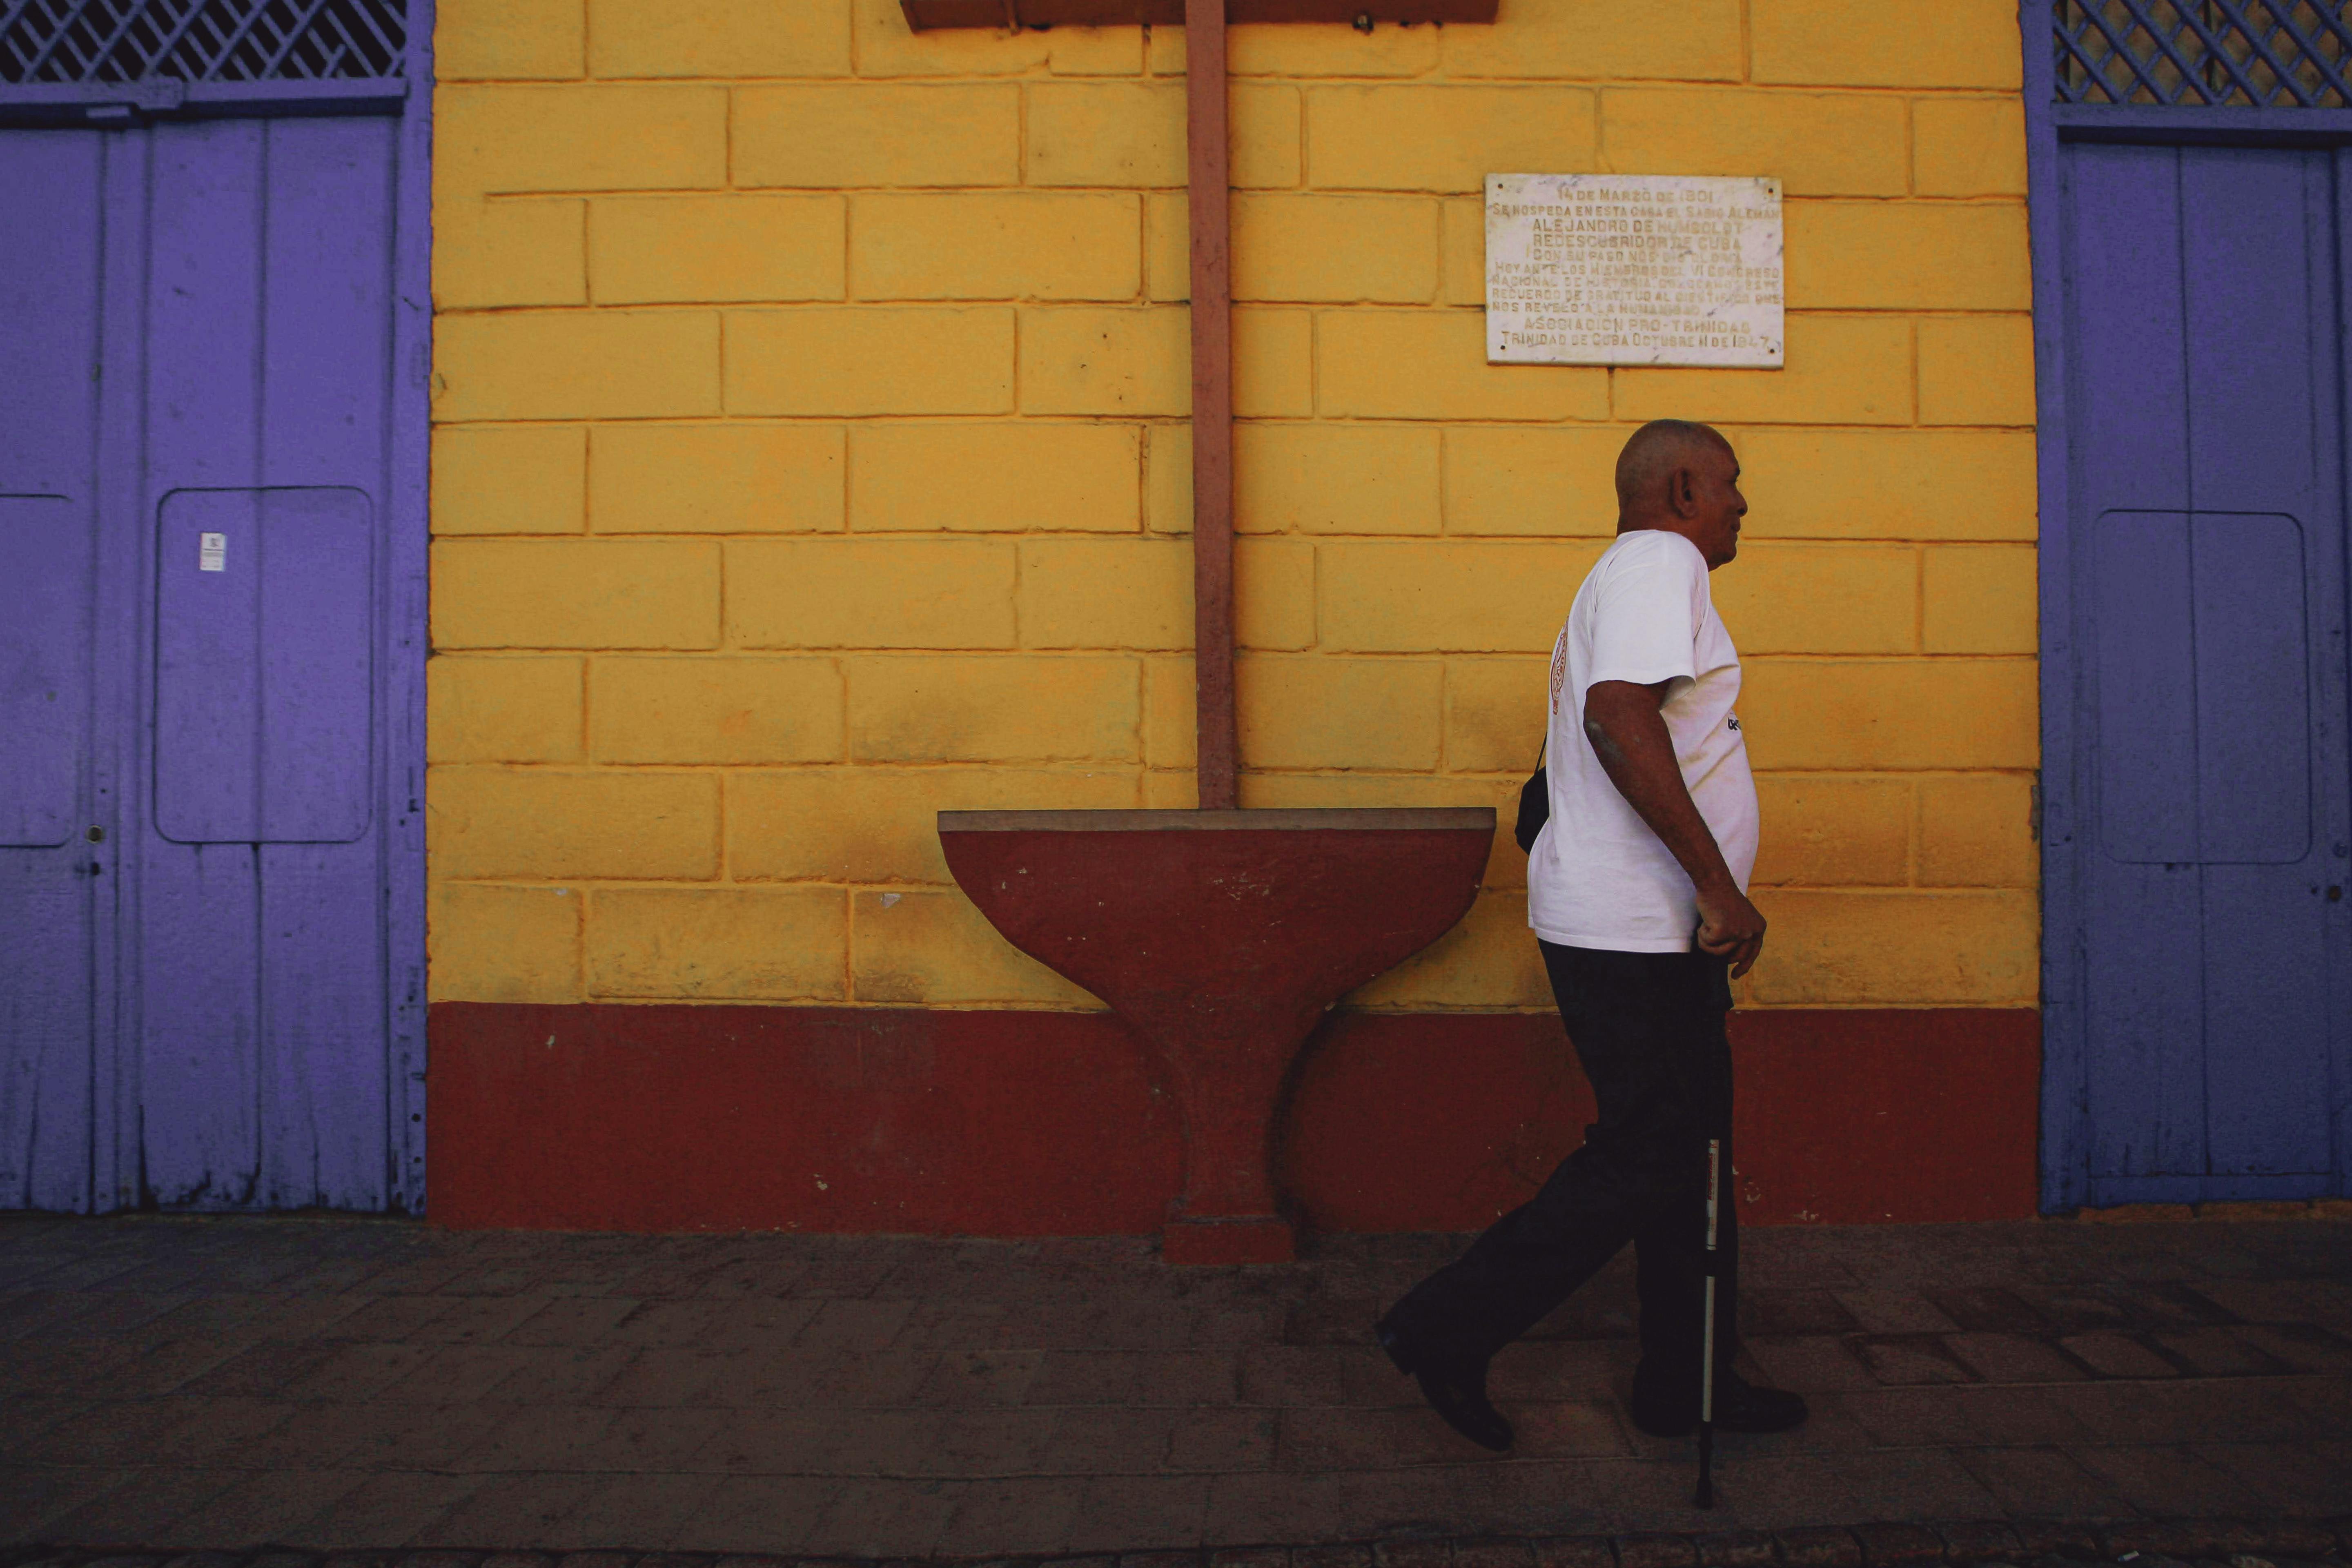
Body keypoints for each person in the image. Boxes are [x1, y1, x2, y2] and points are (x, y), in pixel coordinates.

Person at [1375, 419, 1807, 1452]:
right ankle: (1447, 1327)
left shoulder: (1622, 575)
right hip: (1636, 931)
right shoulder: (1661, 561)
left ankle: (1687, 1383)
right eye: (1734, 485)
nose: (1745, 505)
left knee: (1687, 1152)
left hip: (1639, 929)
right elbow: (1618, 717)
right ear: (1687, 487)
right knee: (1651, 1152)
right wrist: (1719, 888)